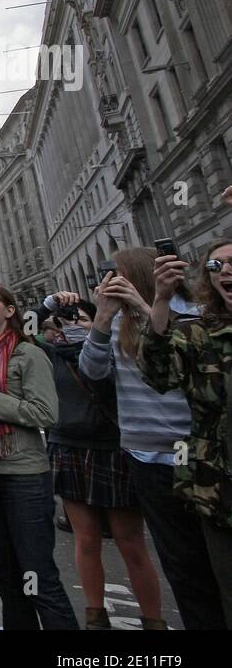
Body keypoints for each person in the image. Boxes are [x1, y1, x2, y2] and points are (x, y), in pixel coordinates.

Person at [80, 247, 225, 629]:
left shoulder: (191, 313)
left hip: (198, 454)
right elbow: (91, 371)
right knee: (181, 562)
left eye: (117, 273)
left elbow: (182, 355)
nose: (110, 280)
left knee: (218, 558)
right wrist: (102, 318)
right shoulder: (113, 321)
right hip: (145, 455)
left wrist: (149, 306)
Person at [0, 284, 78, 629]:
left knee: (38, 577)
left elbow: (46, 413)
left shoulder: (28, 353)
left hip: (24, 477)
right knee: (6, 576)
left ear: (9, 311)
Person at [40, 293, 164, 629]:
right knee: (87, 539)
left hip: (113, 449)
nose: (74, 325)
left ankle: (154, 619)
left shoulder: (114, 351)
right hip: (69, 447)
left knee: (131, 542)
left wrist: (99, 327)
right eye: (67, 320)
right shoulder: (51, 353)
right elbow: (25, 329)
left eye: (82, 318)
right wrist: (50, 305)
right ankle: (95, 615)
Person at [140, 237, 232, 624]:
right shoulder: (198, 333)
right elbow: (159, 373)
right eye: (216, 267)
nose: (226, 271)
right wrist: (160, 300)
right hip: (219, 491)